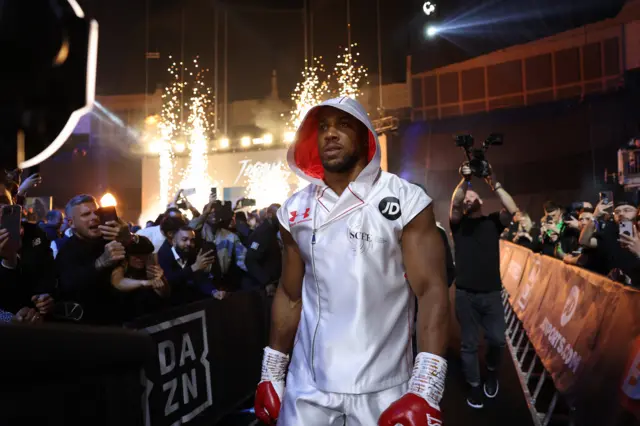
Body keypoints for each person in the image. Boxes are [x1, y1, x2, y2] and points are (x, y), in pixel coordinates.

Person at [254, 97, 450, 425]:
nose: (330, 134)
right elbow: (290, 295)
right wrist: (272, 373)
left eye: (343, 125)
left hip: (386, 388)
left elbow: (431, 290)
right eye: (323, 127)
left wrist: (426, 389)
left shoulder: (406, 199)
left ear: (364, 136)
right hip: (309, 386)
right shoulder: (293, 210)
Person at [449, 164, 518, 409]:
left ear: (479, 199)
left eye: (470, 195)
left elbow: (513, 210)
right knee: (468, 344)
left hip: (490, 294)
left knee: (497, 340)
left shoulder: (492, 223)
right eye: (465, 197)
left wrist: (494, 183)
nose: (467, 199)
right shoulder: (458, 225)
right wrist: (464, 180)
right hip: (465, 295)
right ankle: (475, 386)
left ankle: (491, 372)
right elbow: (455, 203)